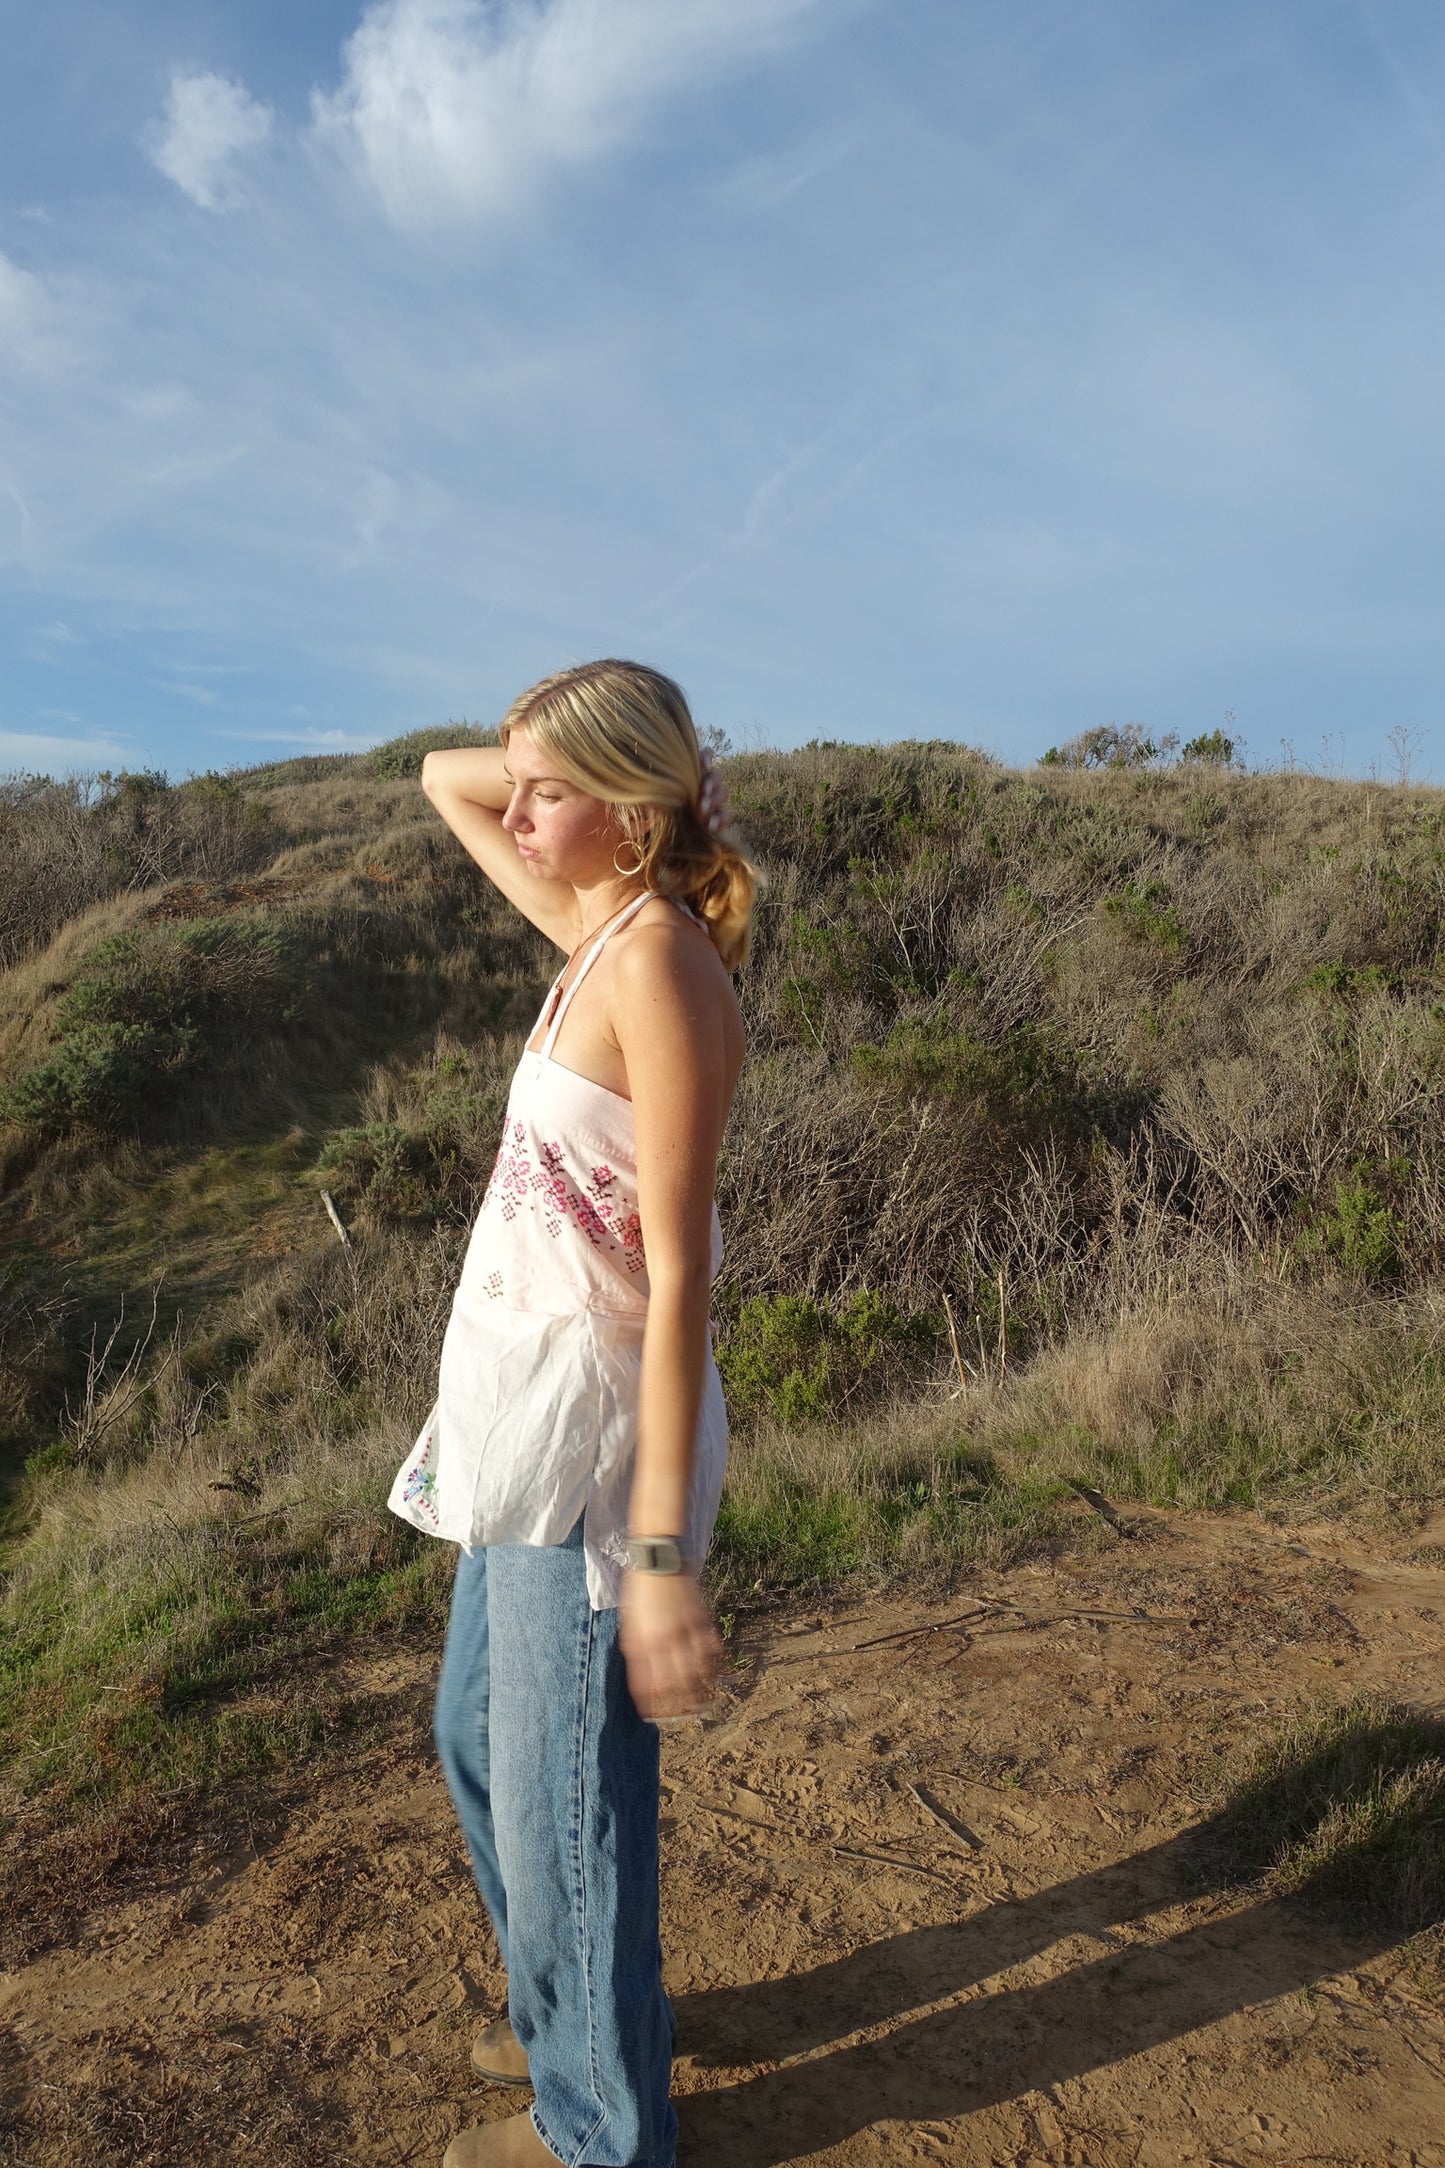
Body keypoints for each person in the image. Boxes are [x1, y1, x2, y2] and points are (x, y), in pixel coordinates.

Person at [387, 660, 755, 2168]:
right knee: (479, 1741)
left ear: (631, 813)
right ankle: (576, 2022)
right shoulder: (594, 928)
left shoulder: (657, 966)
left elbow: (679, 1288)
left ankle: (600, 2131)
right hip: (515, 1421)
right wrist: (555, 758)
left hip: (592, 1452)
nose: (514, 813)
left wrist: (659, 1558)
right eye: (525, 787)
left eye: (550, 792)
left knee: (563, 1810)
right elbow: (437, 777)